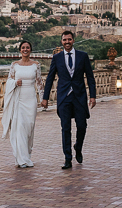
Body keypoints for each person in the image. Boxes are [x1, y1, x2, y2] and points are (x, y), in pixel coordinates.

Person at [41, 31, 97, 169]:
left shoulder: (83, 56)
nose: (67, 42)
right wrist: (45, 98)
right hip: (64, 97)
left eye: (69, 39)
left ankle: (78, 147)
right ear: (61, 41)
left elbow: (90, 77)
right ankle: (67, 158)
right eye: (64, 40)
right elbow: (50, 78)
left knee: (82, 126)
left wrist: (93, 96)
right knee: (65, 128)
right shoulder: (57, 58)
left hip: (79, 96)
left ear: (73, 40)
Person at [1, 40, 41, 168]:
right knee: (19, 128)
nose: (25, 49)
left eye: (27, 47)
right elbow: (9, 80)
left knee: (29, 127)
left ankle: (26, 155)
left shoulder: (36, 65)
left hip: (31, 99)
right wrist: (14, 83)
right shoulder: (14, 65)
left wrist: (43, 99)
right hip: (19, 99)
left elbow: (39, 83)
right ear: (20, 50)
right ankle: (21, 159)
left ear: (30, 50)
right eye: (23, 47)